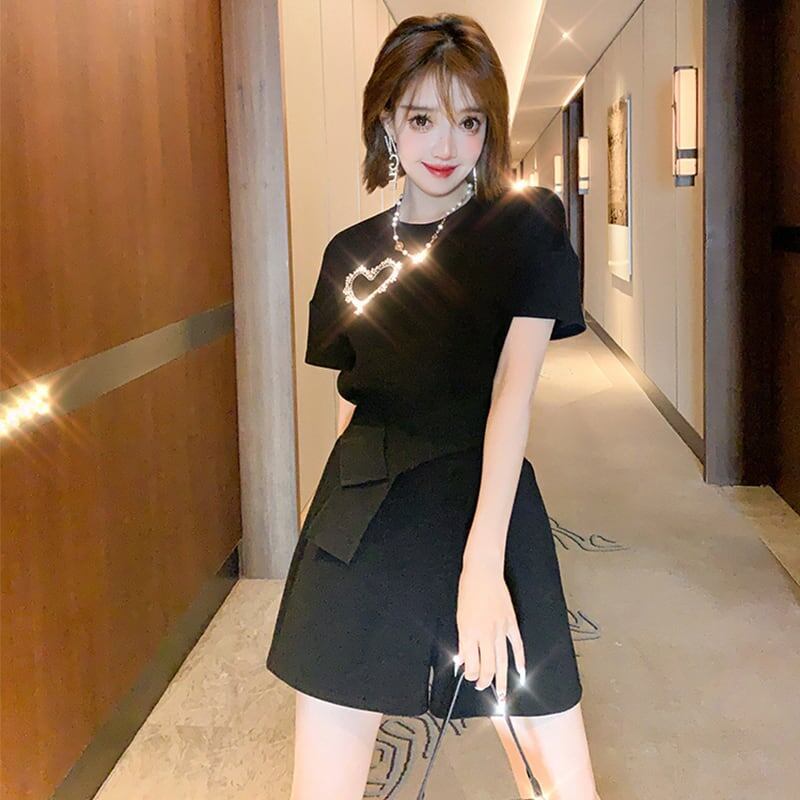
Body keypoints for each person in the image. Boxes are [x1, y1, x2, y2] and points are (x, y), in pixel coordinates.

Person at [267, 12, 601, 800]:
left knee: (558, 778)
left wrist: (483, 562)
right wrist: (323, 533)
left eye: (468, 121)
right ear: (387, 121)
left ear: (490, 129)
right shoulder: (349, 254)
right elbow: (353, 403)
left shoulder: (525, 225)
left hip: (479, 497)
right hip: (362, 511)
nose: (446, 145)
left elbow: (512, 395)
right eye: (422, 119)